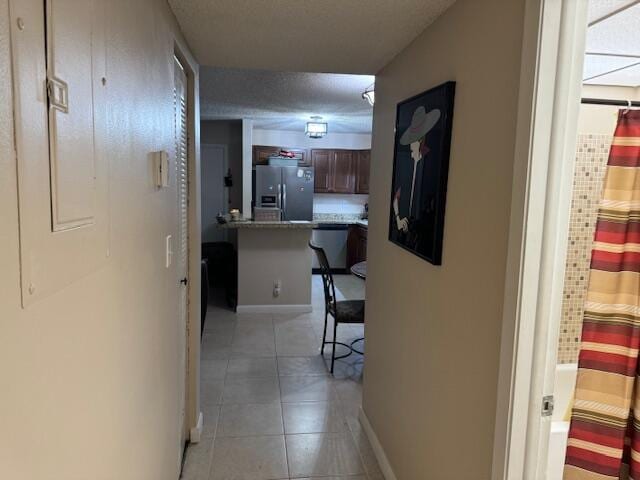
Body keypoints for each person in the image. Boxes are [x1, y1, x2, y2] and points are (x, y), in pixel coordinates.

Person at [392, 106, 441, 249]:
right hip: (405, 232)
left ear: (420, 142)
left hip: (420, 235)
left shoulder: (431, 165)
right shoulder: (406, 168)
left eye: (411, 144)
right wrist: (398, 219)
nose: (410, 149)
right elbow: (396, 198)